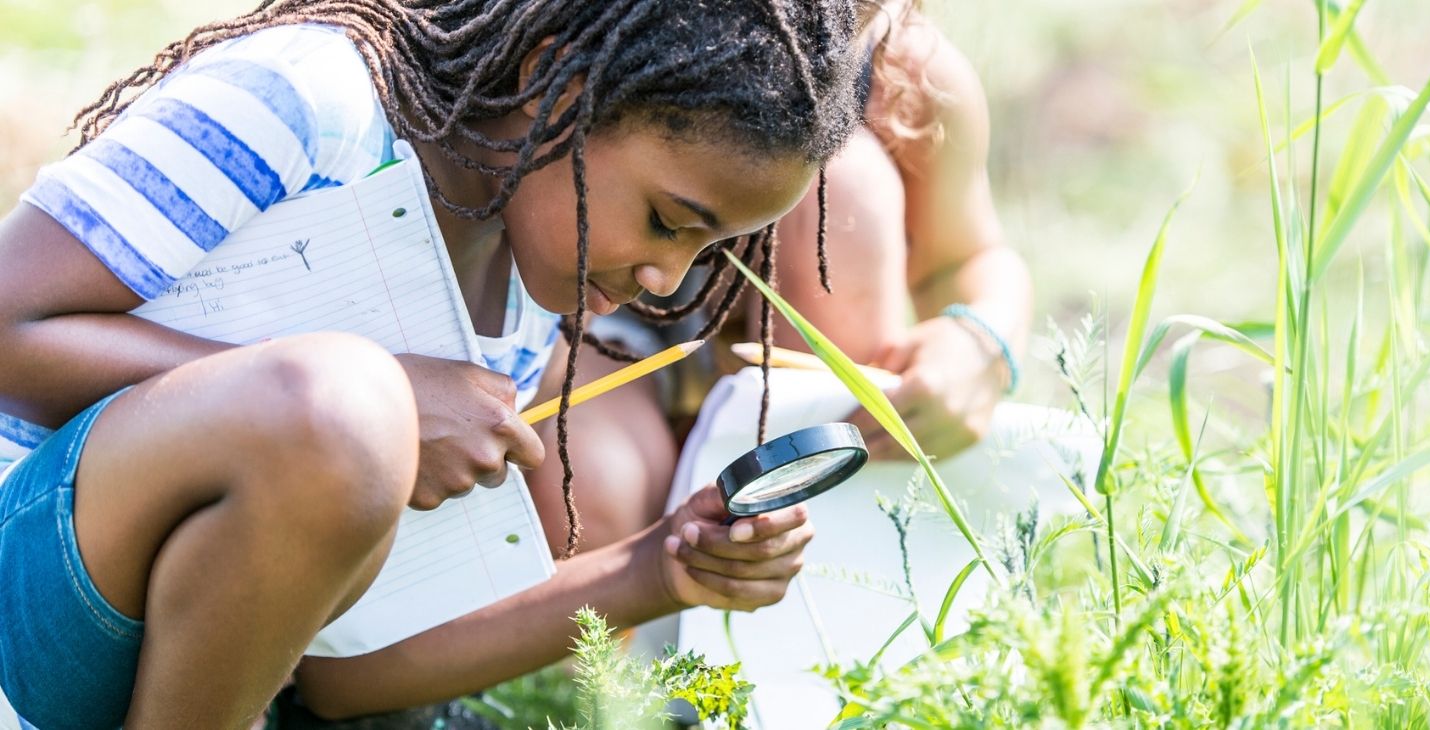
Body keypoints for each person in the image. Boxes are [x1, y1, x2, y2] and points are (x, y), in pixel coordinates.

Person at [0, 1, 863, 726]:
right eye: (668, 221)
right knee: (342, 405)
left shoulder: (521, 302)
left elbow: (343, 671)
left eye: (708, 248)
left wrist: (658, 568)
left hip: (153, 676)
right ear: (557, 83)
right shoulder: (315, 96)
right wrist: (382, 401)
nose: (663, 279)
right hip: (29, 587)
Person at [528, 0, 1034, 555]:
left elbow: (968, 257)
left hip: (787, 349)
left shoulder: (905, 74)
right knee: (589, 487)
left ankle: (820, 556)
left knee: (845, 192)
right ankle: (618, 625)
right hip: (598, 322)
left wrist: (980, 342)